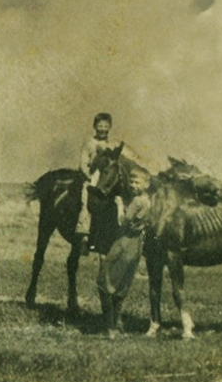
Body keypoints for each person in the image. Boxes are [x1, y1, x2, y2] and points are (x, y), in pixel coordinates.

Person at [98, 168, 152, 338]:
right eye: (132, 183)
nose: (134, 186)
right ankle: (117, 324)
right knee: (123, 283)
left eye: (137, 183)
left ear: (146, 184)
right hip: (136, 245)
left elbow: (123, 222)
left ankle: (109, 326)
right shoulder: (149, 201)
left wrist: (119, 205)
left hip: (124, 242)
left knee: (105, 279)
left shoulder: (136, 201)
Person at [77, 112, 140, 254]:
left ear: (109, 127)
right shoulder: (89, 144)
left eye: (106, 125)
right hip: (93, 177)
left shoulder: (112, 144)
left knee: (119, 201)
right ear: (95, 126)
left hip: (108, 179)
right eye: (100, 125)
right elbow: (83, 164)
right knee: (85, 201)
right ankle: (84, 235)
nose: (103, 128)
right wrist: (89, 176)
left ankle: (120, 229)